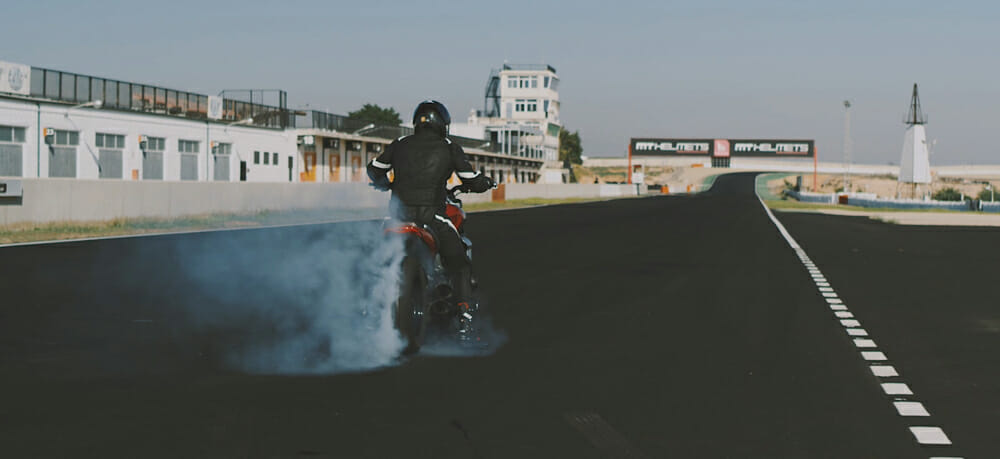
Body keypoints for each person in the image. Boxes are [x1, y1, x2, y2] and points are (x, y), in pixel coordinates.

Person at [367, 100, 495, 336]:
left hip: (398, 216)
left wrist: (385, 184)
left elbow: (374, 169)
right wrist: (486, 183)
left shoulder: (399, 144)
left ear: (417, 122)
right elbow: (469, 177)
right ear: (442, 124)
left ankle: (367, 313)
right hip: (432, 216)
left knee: (374, 260)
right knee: (459, 264)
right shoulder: (448, 147)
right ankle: (465, 325)